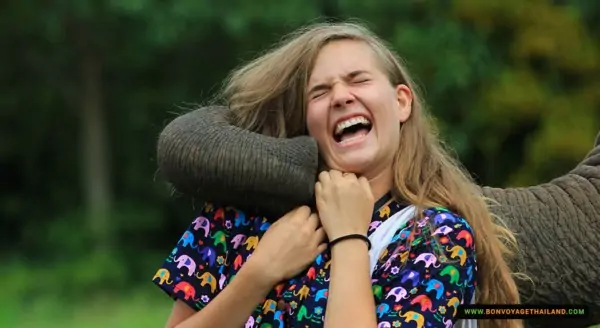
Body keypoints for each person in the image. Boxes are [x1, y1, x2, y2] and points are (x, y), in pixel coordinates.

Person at [152, 22, 523, 328]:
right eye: (320, 92)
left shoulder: (437, 237)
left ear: (402, 102)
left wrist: (348, 237)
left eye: (358, 80)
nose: (342, 96)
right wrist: (259, 273)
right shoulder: (237, 214)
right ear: (306, 122)